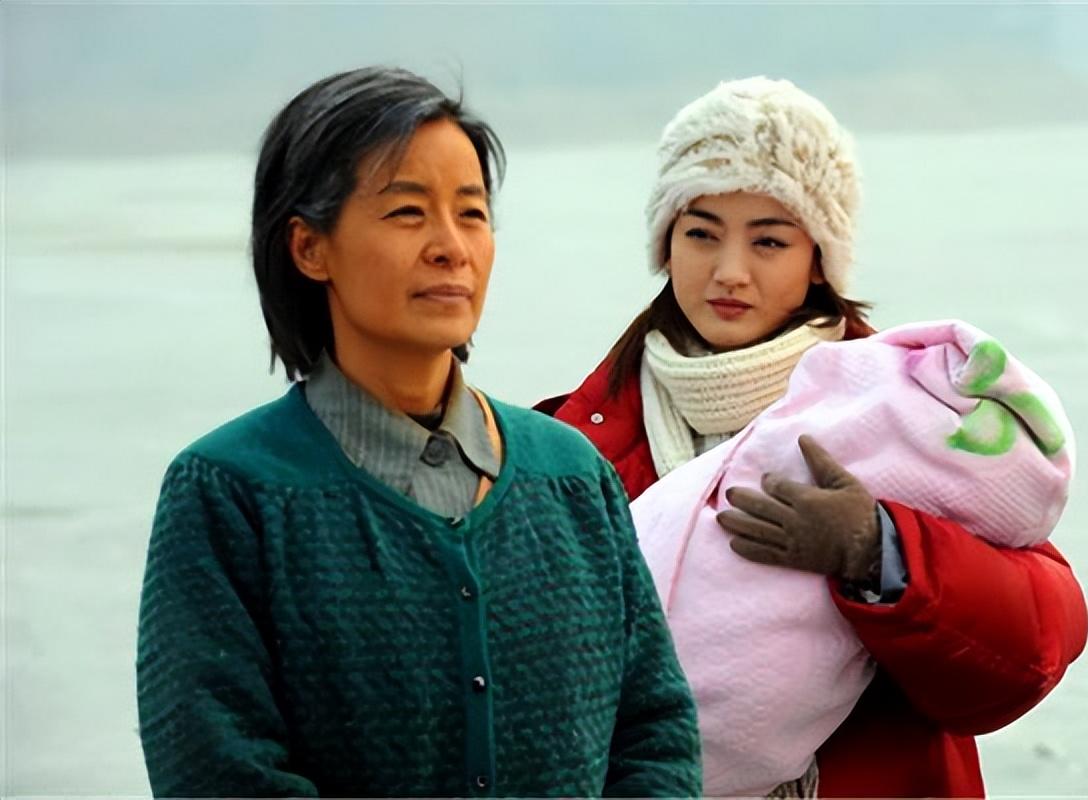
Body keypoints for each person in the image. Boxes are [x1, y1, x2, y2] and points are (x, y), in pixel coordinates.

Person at [136, 66, 702, 798]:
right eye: (408, 212)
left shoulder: (570, 476)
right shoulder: (230, 493)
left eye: (471, 213)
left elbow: (655, 731)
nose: (450, 246)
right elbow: (218, 772)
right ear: (309, 248)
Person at [537, 76, 1088, 798]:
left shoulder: (907, 414)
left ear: (820, 259)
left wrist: (879, 550)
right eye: (700, 232)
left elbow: (1038, 643)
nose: (729, 271)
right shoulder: (566, 447)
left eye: (769, 240)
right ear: (665, 245)